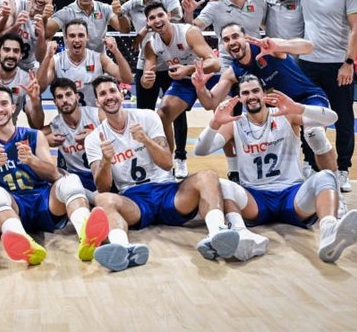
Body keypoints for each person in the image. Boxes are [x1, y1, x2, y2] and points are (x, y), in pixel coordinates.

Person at [194, 75, 357, 263]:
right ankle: (242, 235)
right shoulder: (235, 123)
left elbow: (333, 117)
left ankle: (329, 231)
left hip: (291, 195)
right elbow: (201, 150)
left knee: (325, 176)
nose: (251, 96)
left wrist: (299, 108)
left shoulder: (286, 114)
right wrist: (214, 124)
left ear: (264, 93)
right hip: (256, 198)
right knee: (222, 185)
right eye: (245, 93)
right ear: (240, 98)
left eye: (255, 91)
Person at [84, 75, 241, 271]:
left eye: (112, 91)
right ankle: (123, 248)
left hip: (167, 191)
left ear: (122, 94)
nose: (109, 97)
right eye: (103, 94)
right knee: (103, 199)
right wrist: (106, 160)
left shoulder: (148, 117)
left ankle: (217, 234)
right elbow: (102, 187)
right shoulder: (93, 139)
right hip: (135, 200)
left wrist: (146, 140)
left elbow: (167, 163)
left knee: (208, 175)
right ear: (97, 101)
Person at [0, 85, 109, 266]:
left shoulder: (34, 136)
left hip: (44, 203)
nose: (0, 109)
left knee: (70, 180)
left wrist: (33, 161)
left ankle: (86, 234)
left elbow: (54, 174)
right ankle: (23, 243)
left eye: (4, 104)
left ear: (12, 107)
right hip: (11, 207)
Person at [191, 24, 343, 187]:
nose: (231, 42)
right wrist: (200, 88)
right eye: (226, 39)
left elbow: (308, 46)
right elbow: (210, 102)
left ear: (245, 37)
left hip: (307, 98)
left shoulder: (268, 46)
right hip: (279, 112)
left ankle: (335, 189)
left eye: (235, 36)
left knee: (315, 134)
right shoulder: (233, 72)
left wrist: (280, 45)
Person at [288, 0, 357, 197]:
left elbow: (356, 27)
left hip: (337, 65)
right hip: (308, 65)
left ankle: (342, 169)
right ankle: (310, 165)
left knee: (343, 119)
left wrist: (348, 62)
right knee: (309, 118)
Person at [118, 0, 192, 181]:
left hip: (172, 63)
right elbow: (121, 26)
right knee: (145, 115)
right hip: (146, 64)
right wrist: (122, 0)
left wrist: (144, 29)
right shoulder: (132, 4)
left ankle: (180, 158)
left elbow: (175, 21)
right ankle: (151, 157)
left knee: (176, 114)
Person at [140, 1, 220, 179]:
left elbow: (214, 63)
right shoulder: (151, 44)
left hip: (210, 77)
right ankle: (171, 163)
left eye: (160, 15)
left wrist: (188, 69)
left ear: (168, 15)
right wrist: (146, 79)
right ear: (148, 22)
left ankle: (236, 167)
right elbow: (147, 79)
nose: (157, 20)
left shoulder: (188, 32)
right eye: (152, 18)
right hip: (185, 81)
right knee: (162, 114)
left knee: (225, 117)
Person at [180, 0, 267, 68]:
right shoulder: (215, 5)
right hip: (228, 62)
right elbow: (194, 28)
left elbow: (266, 25)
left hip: (256, 59)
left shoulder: (259, 1)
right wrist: (189, 13)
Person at [37, 19, 133, 108]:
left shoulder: (99, 58)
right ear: (65, 38)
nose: (77, 40)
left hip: (95, 118)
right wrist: (47, 57)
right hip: (68, 120)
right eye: (72, 36)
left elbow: (127, 79)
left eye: (81, 35)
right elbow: (39, 88)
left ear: (88, 37)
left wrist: (116, 52)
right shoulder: (55, 60)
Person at [43, 78, 101, 202]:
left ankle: (94, 201)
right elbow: (27, 139)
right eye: (59, 97)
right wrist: (44, 140)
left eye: (68, 94)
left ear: (77, 96)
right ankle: (95, 201)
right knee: (50, 173)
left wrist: (95, 135)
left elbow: (120, 133)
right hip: (78, 177)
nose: (64, 100)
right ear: (55, 102)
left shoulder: (96, 114)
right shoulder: (55, 125)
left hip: (102, 172)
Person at [45, 0, 131, 53]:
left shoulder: (105, 9)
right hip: (73, 64)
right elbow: (45, 34)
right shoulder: (66, 12)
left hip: (99, 63)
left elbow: (125, 30)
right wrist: (45, 17)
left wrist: (120, 14)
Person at [0, 0, 54, 71]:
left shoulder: (50, 22)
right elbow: (0, 38)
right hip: (7, 63)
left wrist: (43, 27)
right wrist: (16, 25)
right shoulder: (15, 5)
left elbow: (41, 57)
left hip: (29, 68)